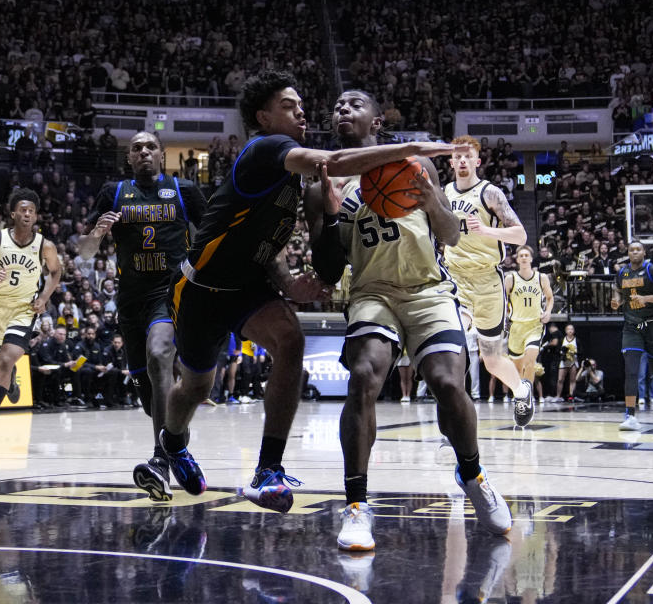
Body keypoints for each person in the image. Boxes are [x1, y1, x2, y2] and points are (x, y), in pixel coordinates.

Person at [161, 74, 463, 514]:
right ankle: (172, 443)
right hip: (201, 288)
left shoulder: (297, 179)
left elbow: (265, 241)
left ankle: (269, 469)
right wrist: (410, 150)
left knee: (291, 340)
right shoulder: (266, 150)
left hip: (247, 285)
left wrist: (285, 282)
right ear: (264, 118)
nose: (301, 111)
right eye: (288, 105)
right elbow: (339, 159)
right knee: (194, 387)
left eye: (301, 104)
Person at [305, 89, 511, 551]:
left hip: (427, 290)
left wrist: (432, 202)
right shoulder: (322, 185)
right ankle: (356, 505)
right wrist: (333, 216)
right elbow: (327, 270)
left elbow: (451, 235)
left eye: (355, 104)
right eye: (338, 104)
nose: (342, 108)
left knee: (447, 382)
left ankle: (473, 475)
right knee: (363, 375)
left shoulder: (416, 166)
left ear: (376, 123)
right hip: (372, 293)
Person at [78, 131, 206, 502]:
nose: (144, 151)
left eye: (151, 146)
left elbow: (213, 234)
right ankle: (178, 447)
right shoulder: (113, 192)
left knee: (160, 354)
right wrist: (98, 234)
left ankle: (160, 462)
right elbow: (85, 253)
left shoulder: (184, 190)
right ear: (129, 158)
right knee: (151, 401)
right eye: (137, 148)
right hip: (130, 301)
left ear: (162, 155)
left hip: (168, 294)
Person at [444, 135, 534, 427]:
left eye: (467, 156)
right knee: (453, 339)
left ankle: (521, 391)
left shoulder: (490, 193)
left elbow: (521, 236)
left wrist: (486, 231)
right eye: (457, 156)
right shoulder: (443, 193)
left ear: (477, 161)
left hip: (488, 281)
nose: (462, 160)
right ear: (450, 161)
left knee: (492, 360)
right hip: (455, 278)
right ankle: (455, 414)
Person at [0, 189, 62, 447]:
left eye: (31, 210)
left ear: (36, 215)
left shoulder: (45, 245)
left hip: (24, 310)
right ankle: (8, 384)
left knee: (7, 361)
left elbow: (55, 274)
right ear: (13, 214)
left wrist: (43, 298)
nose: (27, 213)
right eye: (23, 209)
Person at [610, 241, 653, 431]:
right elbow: (617, 289)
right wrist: (616, 301)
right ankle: (630, 416)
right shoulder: (622, 273)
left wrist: (646, 299)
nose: (634, 252)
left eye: (638, 249)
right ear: (628, 253)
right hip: (631, 327)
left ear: (644, 253)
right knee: (631, 371)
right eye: (631, 249)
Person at [505, 245, 553, 398]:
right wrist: (505, 315)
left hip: (534, 325)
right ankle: (519, 395)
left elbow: (550, 298)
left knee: (530, 362)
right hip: (516, 326)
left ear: (531, 259)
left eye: (527, 255)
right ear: (517, 259)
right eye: (521, 255)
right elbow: (503, 301)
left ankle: (527, 396)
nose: (524, 257)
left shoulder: (541, 278)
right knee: (517, 368)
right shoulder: (510, 278)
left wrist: (548, 312)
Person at [556, 324, 579, 401]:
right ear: (566, 331)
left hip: (573, 361)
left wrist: (574, 352)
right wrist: (563, 352)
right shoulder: (562, 339)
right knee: (560, 379)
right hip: (564, 361)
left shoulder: (576, 340)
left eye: (572, 329)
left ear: (574, 331)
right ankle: (558, 396)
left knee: (572, 379)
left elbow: (581, 351)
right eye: (568, 329)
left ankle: (571, 395)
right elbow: (557, 350)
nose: (570, 331)